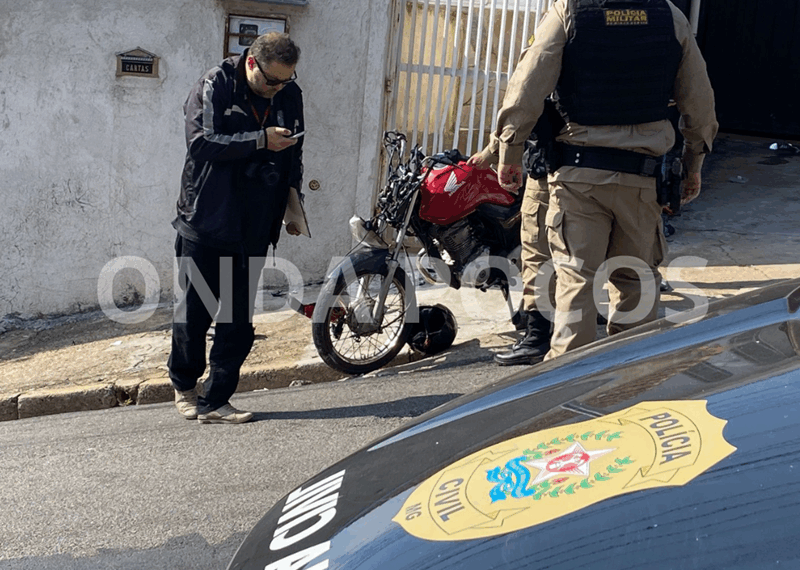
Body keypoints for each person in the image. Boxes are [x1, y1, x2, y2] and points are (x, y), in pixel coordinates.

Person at [491, 0, 718, 360]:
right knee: (635, 282)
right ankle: (629, 386)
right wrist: (694, 164)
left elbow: (527, 86)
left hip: (579, 179)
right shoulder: (669, 16)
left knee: (576, 283)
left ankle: (566, 385)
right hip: (641, 182)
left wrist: (509, 152)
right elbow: (699, 102)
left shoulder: (570, 12)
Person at [168, 32, 305, 424]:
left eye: (285, 81)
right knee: (195, 312)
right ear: (250, 63)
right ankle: (185, 385)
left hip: (254, 226)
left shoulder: (290, 94)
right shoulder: (215, 84)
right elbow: (202, 142)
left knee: (238, 318)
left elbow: (295, 150)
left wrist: (293, 205)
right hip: (207, 220)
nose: (277, 89)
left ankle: (217, 400)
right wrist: (260, 140)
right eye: (271, 81)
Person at [467, 101, 563, 365]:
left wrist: (498, 155)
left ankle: (538, 338)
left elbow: (523, 104)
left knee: (538, 256)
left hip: (556, 169)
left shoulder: (552, 56)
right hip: (632, 169)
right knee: (607, 266)